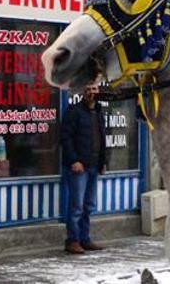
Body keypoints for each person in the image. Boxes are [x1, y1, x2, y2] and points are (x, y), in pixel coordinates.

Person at [60, 83, 110, 254]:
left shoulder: (99, 112)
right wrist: (74, 160)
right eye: (87, 89)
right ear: (83, 92)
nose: (91, 92)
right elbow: (65, 138)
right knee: (76, 206)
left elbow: (104, 139)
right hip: (78, 167)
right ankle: (72, 240)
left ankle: (85, 239)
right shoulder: (74, 111)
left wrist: (103, 162)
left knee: (89, 205)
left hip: (94, 166)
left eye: (94, 89)